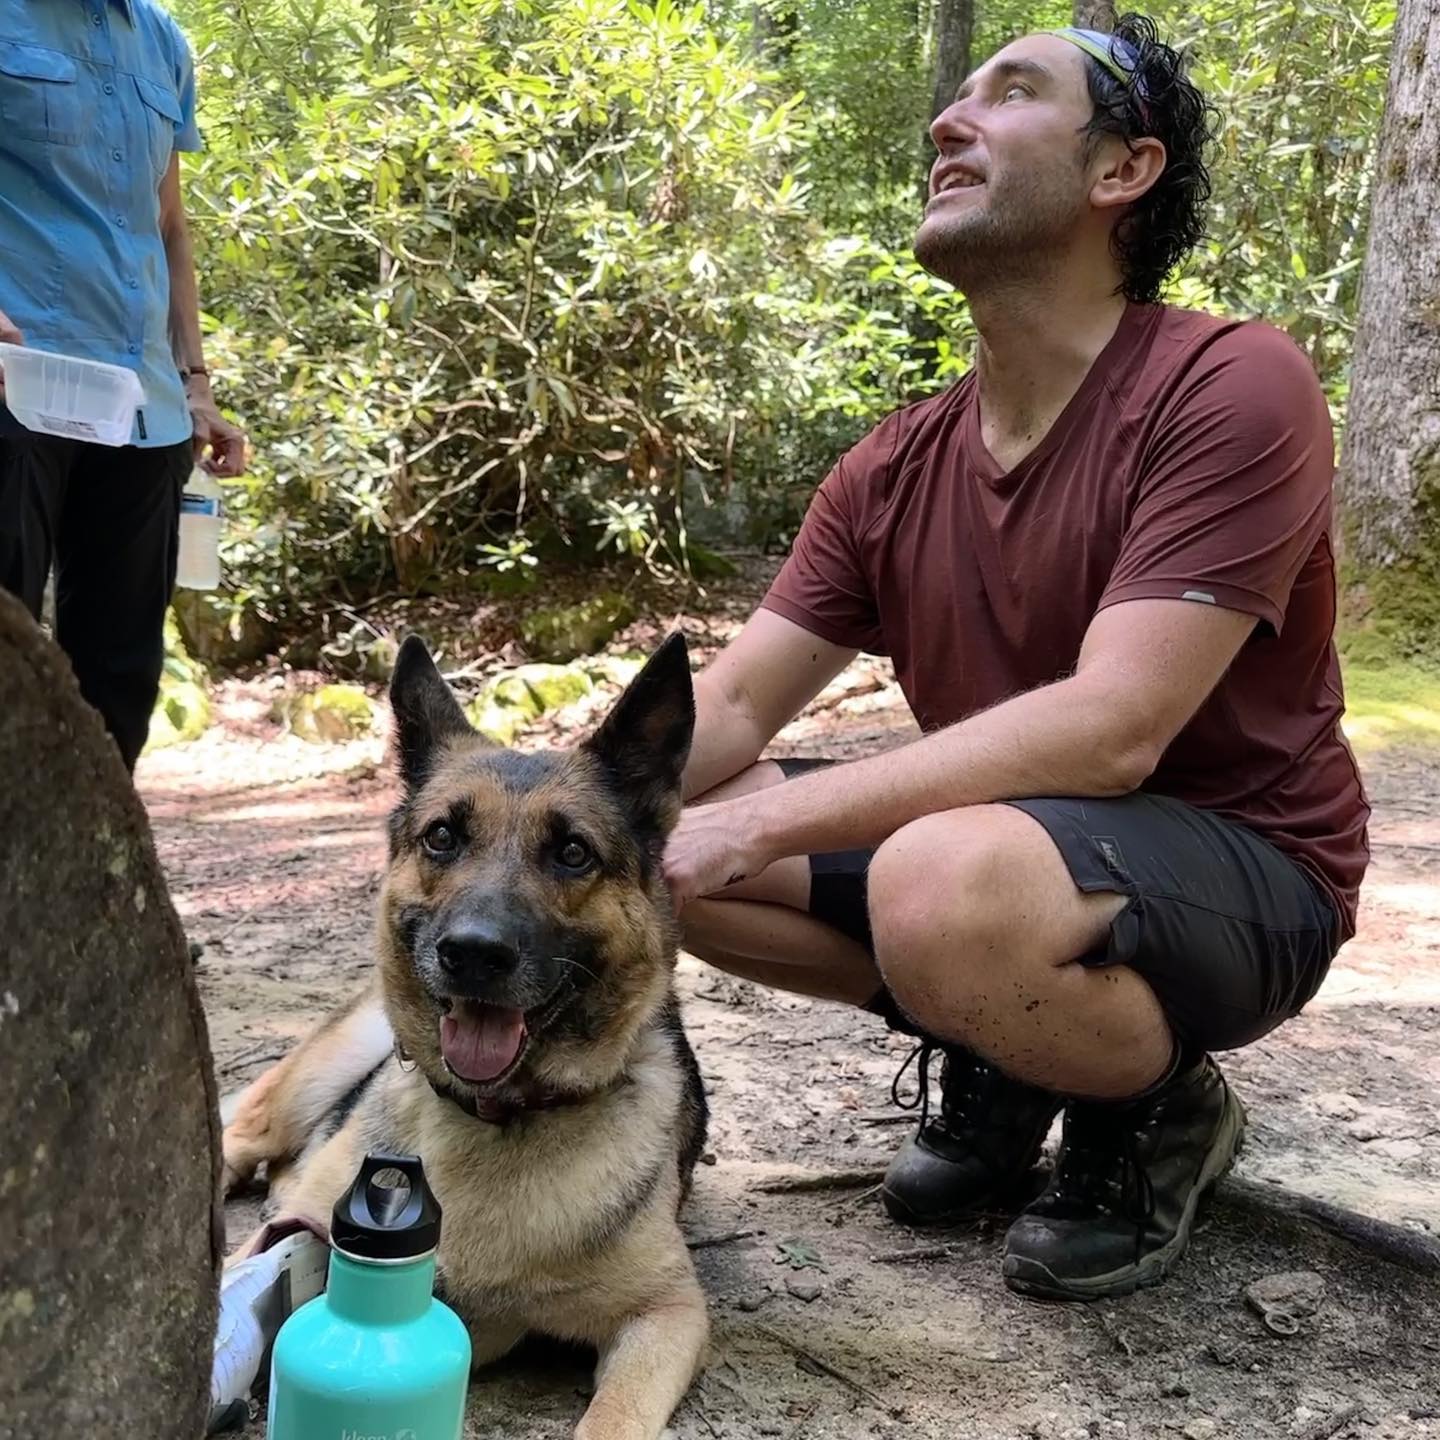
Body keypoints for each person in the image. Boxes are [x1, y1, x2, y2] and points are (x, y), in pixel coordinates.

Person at [663, 15, 1370, 1302]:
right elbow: (736, 699)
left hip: (1247, 868)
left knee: (919, 871)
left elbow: (1115, 730)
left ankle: (1157, 1107)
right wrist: (540, 800)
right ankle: (1009, 1046)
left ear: (1122, 172)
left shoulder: (1231, 382)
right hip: (1007, 854)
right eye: (959, 99)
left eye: (1013, 93)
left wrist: (755, 832)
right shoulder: (896, 462)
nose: (948, 119)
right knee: (667, 841)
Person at [0, 0, 245, 774]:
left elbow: (168, 225)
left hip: (144, 411)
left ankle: (93, 887)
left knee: (121, 678)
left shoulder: (162, 38)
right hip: (15, 385)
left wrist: (194, 381)